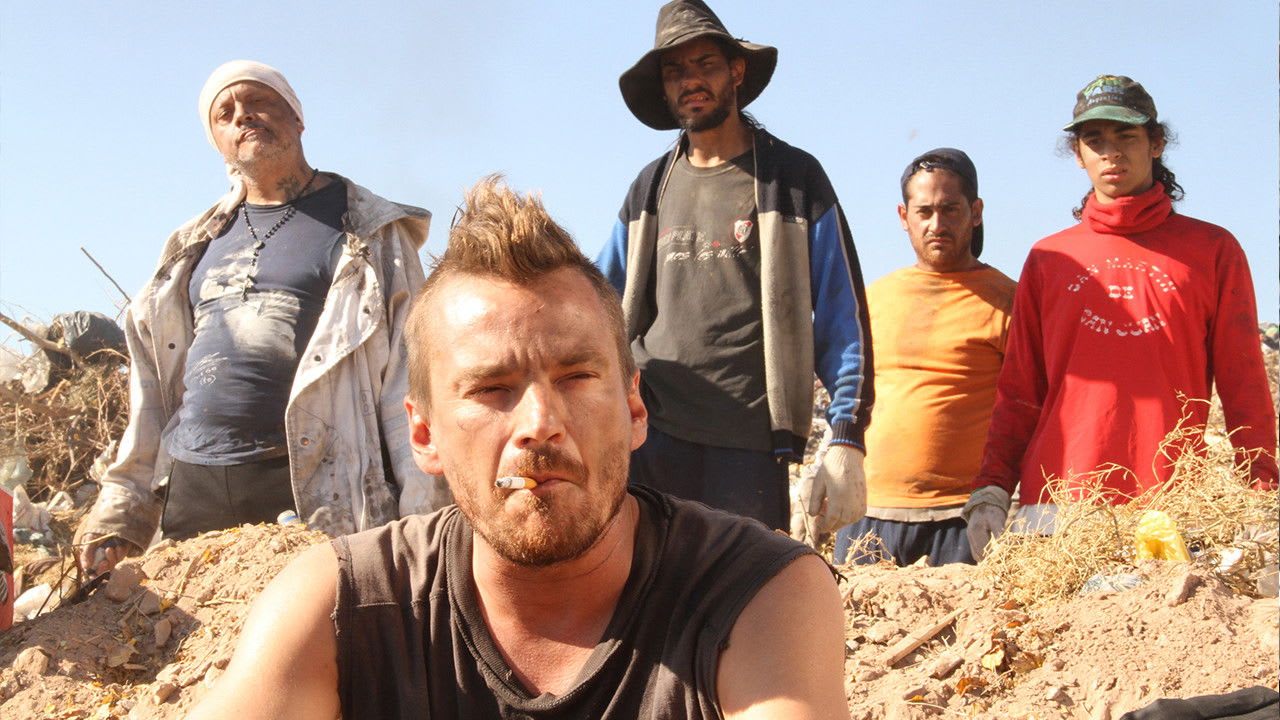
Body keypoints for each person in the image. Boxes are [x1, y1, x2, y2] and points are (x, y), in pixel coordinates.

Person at [185, 177, 849, 720]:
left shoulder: (756, 594)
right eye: (491, 388)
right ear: (424, 435)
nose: (540, 423)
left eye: (577, 377)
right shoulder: (344, 604)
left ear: (634, 409)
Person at [77, 60, 449, 576]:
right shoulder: (191, 244)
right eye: (225, 114)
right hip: (195, 482)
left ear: (297, 119)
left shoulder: (370, 230)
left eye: (259, 102)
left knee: (315, 619)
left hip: (309, 482)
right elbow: (152, 389)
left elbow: (409, 377)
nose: (243, 116)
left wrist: (425, 520)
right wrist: (122, 511)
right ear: (217, 142)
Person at [965, 75, 1279, 560]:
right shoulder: (1049, 259)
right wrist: (992, 487)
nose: (1111, 153)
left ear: (1157, 143)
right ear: (1078, 154)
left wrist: (1261, 490)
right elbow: (1021, 388)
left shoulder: (1212, 250)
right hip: (1057, 512)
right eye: (1095, 140)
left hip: (1171, 511)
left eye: (1126, 136)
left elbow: (1244, 385)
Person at [598, 0, 873, 536]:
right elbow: (600, 303)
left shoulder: (792, 179)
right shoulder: (648, 189)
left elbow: (843, 316)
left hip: (748, 446)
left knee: (745, 584)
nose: (690, 81)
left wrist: (846, 437)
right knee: (650, 583)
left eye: (705, 64)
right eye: (675, 70)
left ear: (736, 71)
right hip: (652, 439)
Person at [832, 149, 1015, 566]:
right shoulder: (875, 297)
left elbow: (1024, 410)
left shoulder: (1009, 301)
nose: (937, 225)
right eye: (924, 211)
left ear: (975, 212)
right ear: (904, 216)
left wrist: (998, 497)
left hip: (962, 517)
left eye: (950, 210)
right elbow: (850, 393)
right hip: (868, 512)